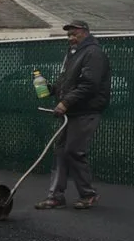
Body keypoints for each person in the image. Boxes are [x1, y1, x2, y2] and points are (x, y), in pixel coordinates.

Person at [34, 19, 111, 211]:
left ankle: (88, 194)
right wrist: (51, 89)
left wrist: (65, 102)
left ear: (85, 32)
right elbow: (67, 83)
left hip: (86, 111)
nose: (70, 38)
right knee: (60, 152)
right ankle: (55, 197)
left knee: (74, 151)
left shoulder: (93, 53)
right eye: (68, 34)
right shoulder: (73, 54)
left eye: (74, 33)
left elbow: (90, 85)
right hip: (72, 111)